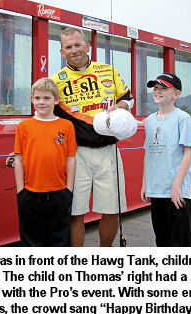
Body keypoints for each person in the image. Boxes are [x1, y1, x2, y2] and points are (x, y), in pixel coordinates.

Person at [52, 27, 134, 247]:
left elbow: (128, 98)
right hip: (75, 153)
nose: (74, 50)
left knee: (112, 209)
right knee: (74, 212)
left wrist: (118, 107)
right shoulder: (56, 81)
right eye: (68, 47)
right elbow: (44, 115)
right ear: (62, 52)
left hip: (108, 151)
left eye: (78, 45)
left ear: (87, 46)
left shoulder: (108, 70)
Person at [13, 77, 77, 246]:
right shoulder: (24, 126)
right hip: (30, 192)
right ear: (32, 99)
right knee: (31, 241)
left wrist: (68, 189)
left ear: (56, 100)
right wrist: (21, 191)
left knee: (59, 240)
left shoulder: (67, 126)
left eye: (47, 98)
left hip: (59, 192)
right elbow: (18, 159)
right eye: (38, 98)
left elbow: (71, 159)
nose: (42, 102)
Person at [141, 72, 191, 247]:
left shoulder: (182, 118)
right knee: (162, 241)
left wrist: (177, 185)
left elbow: (188, 152)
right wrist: (145, 183)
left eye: (163, 88)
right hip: (156, 190)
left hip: (177, 192)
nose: (157, 91)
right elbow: (148, 154)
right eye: (155, 88)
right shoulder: (149, 121)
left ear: (176, 94)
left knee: (181, 243)